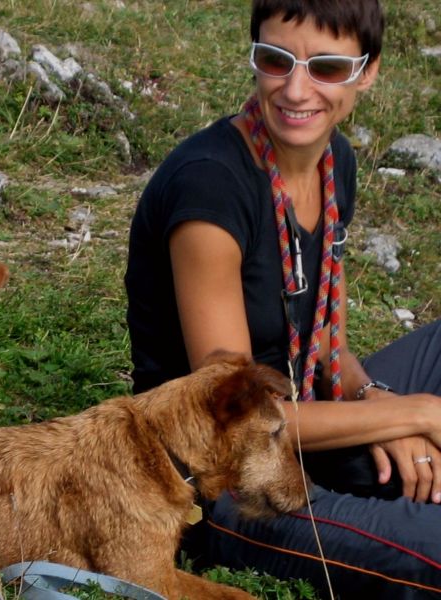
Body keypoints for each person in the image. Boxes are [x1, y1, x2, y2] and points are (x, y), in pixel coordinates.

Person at [124, 1, 441, 598]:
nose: (296, 90)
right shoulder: (209, 190)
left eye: (327, 67)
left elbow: (325, 342)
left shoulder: (333, 160)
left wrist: (378, 400)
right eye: (275, 60)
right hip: (228, 479)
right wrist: (417, 414)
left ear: (367, 72)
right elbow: (238, 420)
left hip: (306, 415)